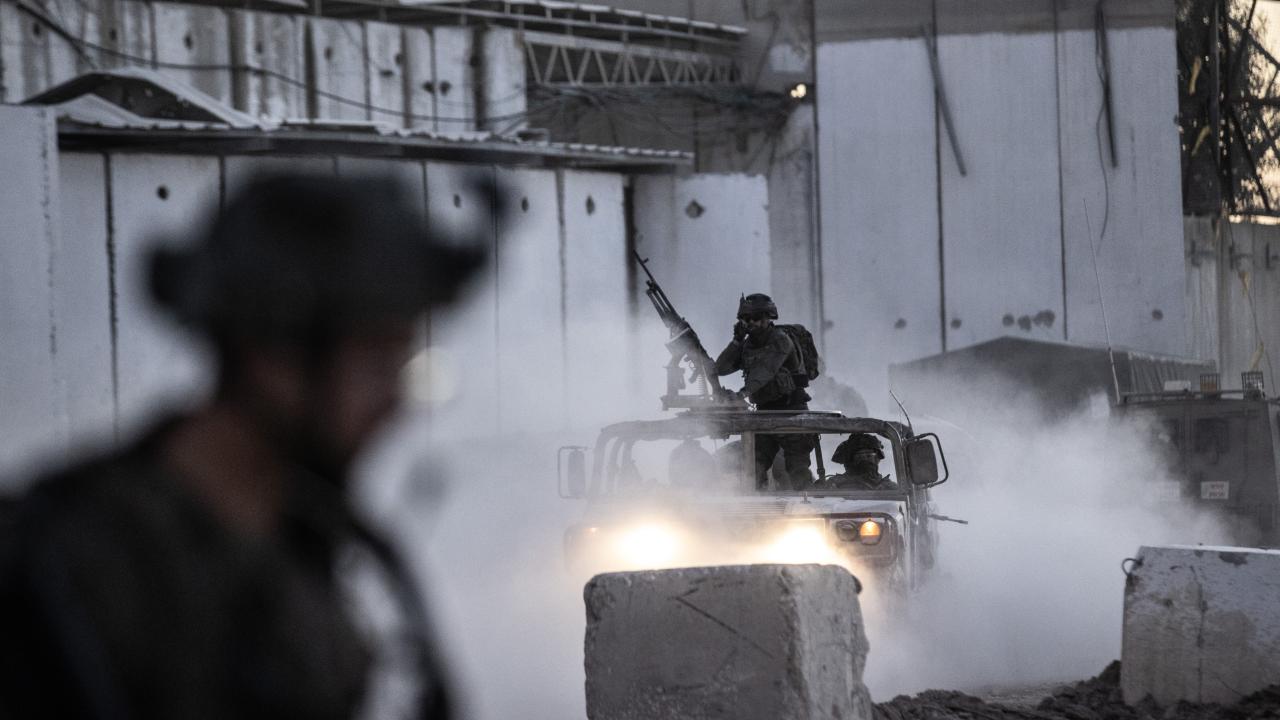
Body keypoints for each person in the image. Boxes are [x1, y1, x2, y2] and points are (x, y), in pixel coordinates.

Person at [0, 173, 493, 720]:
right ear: (273, 358)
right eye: (378, 363)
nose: (395, 403)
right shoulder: (68, 563)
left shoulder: (314, 547)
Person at [714, 293, 813, 490]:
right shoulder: (747, 345)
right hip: (764, 413)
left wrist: (742, 394)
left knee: (797, 469)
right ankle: (757, 506)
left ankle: (809, 505)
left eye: (757, 317)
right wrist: (736, 341)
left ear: (769, 317)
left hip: (791, 412)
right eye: (746, 318)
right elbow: (720, 368)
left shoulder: (781, 340)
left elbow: (766, 370)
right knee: (754, 467)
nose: (751, 323)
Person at [829, 433, 898, 490]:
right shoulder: (834, 485)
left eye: (869, 456)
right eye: (860, 457)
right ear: (850, 461)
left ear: (876, 459)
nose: (865, 460)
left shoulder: (888, 487)